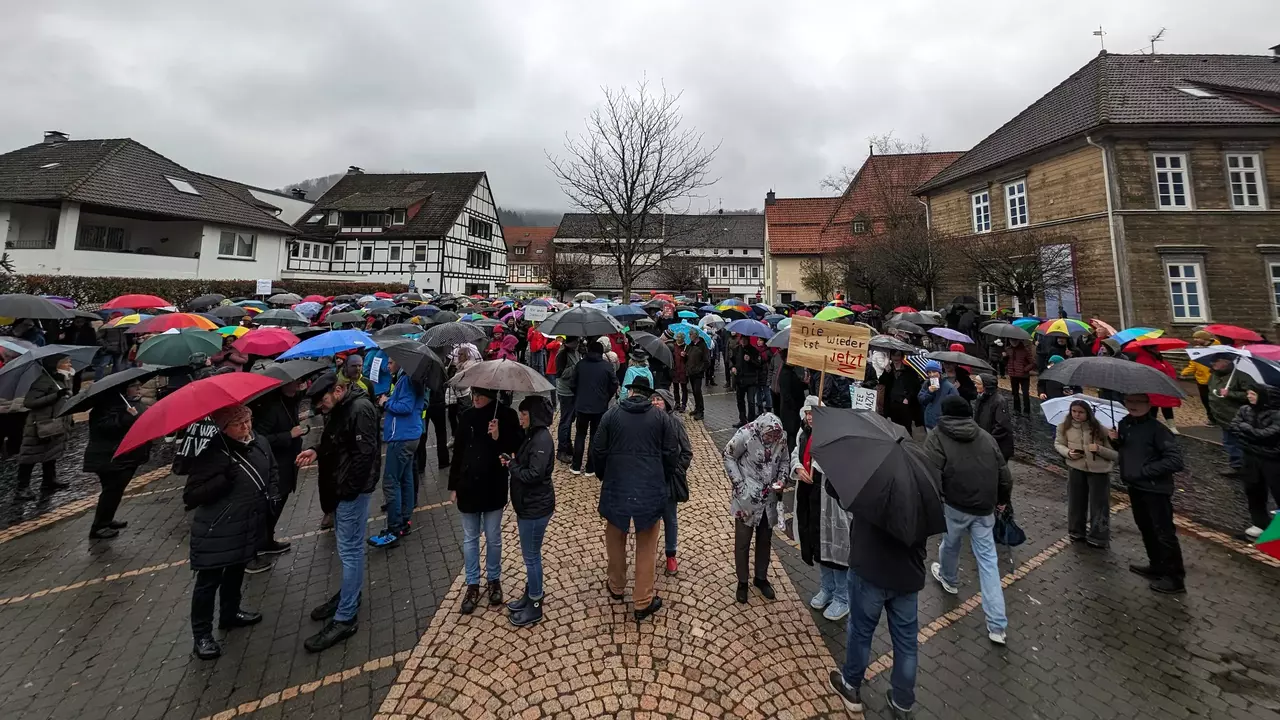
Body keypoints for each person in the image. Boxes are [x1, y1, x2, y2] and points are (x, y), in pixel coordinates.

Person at [296, 372, 381, 652]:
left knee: (350, 549)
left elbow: (365, 455)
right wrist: (317, 451)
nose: (321, 408)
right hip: (342, 487)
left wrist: (348, 491)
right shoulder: (343, 408)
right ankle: (348, 594)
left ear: (339, 390)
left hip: (351, 492)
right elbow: (337, 441)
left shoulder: (360, 408)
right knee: (348, 549)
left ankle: (346, 615)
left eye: (323, 402)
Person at [184, 404, 276, 660]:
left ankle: (230, 613)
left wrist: (273, 494)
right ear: (224, 428)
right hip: (217, 529)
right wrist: (224, 479)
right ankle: (201, 634)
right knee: (208, 582)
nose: (246, 427)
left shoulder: (257, 442)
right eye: (239, 424)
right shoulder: (213, 453)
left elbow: (271, 468)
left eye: (248, 421)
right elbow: (191, 496)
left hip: (245, 523)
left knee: (236, 570)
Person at [924, 396, 1012, 645]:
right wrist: (1002, 499)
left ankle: (949, 579)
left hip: (954, 504)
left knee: (950, 544)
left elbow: (930, 472)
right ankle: (997, 626)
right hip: (984, 507)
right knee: (988, 563)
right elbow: (1004, 474)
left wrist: (934, 501)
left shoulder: (937, 436)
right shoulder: (985, 436)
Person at [593, 375, 678, 621]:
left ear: (630, 393)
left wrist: (604, 475)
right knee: (647, 545)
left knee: (615, 537)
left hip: (617, 485)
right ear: (648, 395)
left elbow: (598, 449)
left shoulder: (611, 415)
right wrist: (663, 476)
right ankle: (642, 600)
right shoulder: (661, 418)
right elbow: (671, 452)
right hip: (650, 487)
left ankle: (617, 585)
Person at [449, 386, 521, 614]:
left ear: (492, 396)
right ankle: (472, 584)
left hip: (493, 485)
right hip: (468, 485)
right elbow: (458, 452)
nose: (476, 398)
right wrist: (453, 484)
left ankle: (493, 579)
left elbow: (516, 447)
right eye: (474, 394)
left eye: (481, 395)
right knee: (470, 538)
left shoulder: (506, 415)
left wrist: (499, 437)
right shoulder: (467, 416)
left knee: (493, 536)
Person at [1110, 394, 1186, 594]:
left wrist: (1144, 472)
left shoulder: (1158, 430)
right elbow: (1128, 450)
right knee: (1145, 527)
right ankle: (1156, 565)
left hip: (1155, 489)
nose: (1133, 405)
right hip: (1135, 486)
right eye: (1129, 401)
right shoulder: (1124, 423)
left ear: (1148, 404)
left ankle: (1175, 578)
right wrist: (1115, 442)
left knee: (1164, 532)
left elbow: (1175, 461)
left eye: (1138, 402)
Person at [791, 396, 852, 622]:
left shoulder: (833, 437)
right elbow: (795, 454)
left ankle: (842, 597)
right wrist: (798, 468)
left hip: (830, 499)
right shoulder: (803, 433)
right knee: (818, 544)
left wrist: (818, 464)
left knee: (835, 548)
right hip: (809, 496)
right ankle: (826, 587)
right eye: (807, 412)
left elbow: (841, 465)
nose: (810, 417)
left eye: (814, 413)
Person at [724, 412, 789, 604]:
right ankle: (742, 581)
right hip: (746, 499)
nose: (772, 440)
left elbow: (784, 460)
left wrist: (782, 479)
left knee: (765, 540)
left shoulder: (781, 436)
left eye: (775, 436)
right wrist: (740, 485)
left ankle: (761, 578)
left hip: (768, 499)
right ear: (761, 431)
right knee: (743, 542)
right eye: (769, 436)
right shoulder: (746, 434)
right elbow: (728, 455)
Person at [504, 396, 556, 627]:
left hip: (535, 507)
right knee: (530, 555)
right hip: (528, 504)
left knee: (532, 557)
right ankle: (530, 593)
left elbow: (534, 475)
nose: (520, 418)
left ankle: (535, 604)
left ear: (533, 416)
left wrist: (512, 466)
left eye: (523, 414)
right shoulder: (533, 436)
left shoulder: (541, 439)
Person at [83, 378, 152, 539]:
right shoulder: (106, 407)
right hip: (109, 458)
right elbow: (105, 428)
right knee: (111, 490)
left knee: (116, 490)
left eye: (138, 385)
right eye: (134, 386)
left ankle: (106, 519)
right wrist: (127, 417)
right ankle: (99, 526)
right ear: (124, 390)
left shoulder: (129, 403)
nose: (138, 388)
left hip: (123, 457)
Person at [369, 359, 426, 548]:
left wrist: (386, 403)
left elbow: (406, 407)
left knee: (391, 482)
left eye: (391, 362)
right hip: (410, 434)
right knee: (406, 479)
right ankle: (404, 521)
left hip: (402, 437)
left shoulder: (407, 380)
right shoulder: (408, 378)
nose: (387, 366)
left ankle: (394, 528)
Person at [1055, 400, 1117, 547]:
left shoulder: (1102, 430)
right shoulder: (1064, 427)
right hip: (1076, 468)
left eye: (1081, 412)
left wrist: (1100, 449)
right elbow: (1058, 444)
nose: (1077, 415)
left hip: (1099, 471)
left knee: (1099, 505)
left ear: (1088, 413)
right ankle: (1076, 531)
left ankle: (1099, 537)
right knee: (1076, 502)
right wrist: (1068, 453)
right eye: (1074, 411)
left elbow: (1116, 455)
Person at [15, 354, 74, 501]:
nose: (69, 364)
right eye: (66, 362)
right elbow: (29, 402)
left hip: (55, 422)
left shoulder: (63, 378)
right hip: (40, 424)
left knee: (51, 451)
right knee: (30, 455)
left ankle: (49, 480)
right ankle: (22, 488)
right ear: (56, 365)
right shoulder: (44, 380)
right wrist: (55, 396)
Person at [1230, 385, 1280, 538]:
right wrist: (1253, 436)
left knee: (1278, 492)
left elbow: (1269, 434)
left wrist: (1247, 430)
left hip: (1273, 459)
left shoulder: (1276, 414)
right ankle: (1260, 523)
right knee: (1253, 491)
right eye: (1248, 393)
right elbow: (1233, 427)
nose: (1249, 396)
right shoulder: (1244, 409)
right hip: (1250, 457)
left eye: (1253, 393)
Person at [652, 389, 692, 575]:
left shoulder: (675, 422)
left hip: (669, 480)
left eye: (659, 399)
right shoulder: (648, 421)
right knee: (650, 521)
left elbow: (686, 451)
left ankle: (670, 554)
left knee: (670, 519)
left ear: (666, 402)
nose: (655, 403)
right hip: (651, 480)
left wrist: (677, 470)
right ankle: (648, 554)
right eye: (652, 400)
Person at [569, 340, 617, 476]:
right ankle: (591, 467)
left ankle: (576, 466)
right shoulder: (607, 367)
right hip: (599, 406)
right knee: (595, 436)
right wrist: (606, 397)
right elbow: (614, 385)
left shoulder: (580, 365)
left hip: (582, 405)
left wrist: (579, 395)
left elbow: (572, 384)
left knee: (580, 435)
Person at [1207, 356, 1255, 477]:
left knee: (1235, 441)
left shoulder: (1241, 376)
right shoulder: (1214, 375)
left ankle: (1240, 466)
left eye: (1217, 360)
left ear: (1227, 362)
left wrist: (1231, 393)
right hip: (1221, 415)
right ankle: (1239, 464)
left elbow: (1251, 395)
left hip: (1235, 416)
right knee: (1228, 441)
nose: (1213, 363)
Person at [1128, 346, 1181, 434]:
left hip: (1162, 386)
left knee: (1167, 406)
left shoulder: (1157, 356)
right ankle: (1151, 426)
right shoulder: (1143, 358)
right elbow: (1148, 370)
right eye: (1154, 348)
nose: (1157, 350)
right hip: (1151, 387)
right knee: (1153, 407)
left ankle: (1171, 425)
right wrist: (1161, 367)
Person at [878, 350, 921, 436]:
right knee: (895, 427)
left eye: (898, 356)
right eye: (894, 356)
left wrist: (908, 398)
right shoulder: (889, 369)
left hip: (905, 403)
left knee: (907, 428)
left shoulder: (909, 371)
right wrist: (886, 372)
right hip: (892, 403)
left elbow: (915, 386)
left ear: (901, 357)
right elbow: (882, 382)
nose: (896, 358)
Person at [972, 373, 1013, 461]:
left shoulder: (999, 401)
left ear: (986, 386)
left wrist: (988, 439)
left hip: (997, 446)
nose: (975, 385)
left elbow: (1002, 425)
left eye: (978, 383)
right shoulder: (981, 398)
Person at [554, 337, 581, 463]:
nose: (577, 344)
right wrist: (576, 367)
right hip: (565, 392)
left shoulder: (575, 352)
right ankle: (561, 450)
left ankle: (568, 446)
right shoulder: (562, 355)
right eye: (576, 342)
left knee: (570, 420)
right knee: (565, 420)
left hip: (573, 390)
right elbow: (560, 374)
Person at [1181, 330, 1218, 417]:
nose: (1195, 340)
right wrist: (1184, 373)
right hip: (1201, 380)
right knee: (1205, 400)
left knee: (1215, 400)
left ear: (1204, 338)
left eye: (1197, 338)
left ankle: (1218, 417)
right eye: (1194, 338)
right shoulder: (1197, 349)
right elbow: (1193, 363)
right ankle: (1211, 418)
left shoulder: (1217, 347)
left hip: (1214, 378)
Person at [731, 333, 762, 427]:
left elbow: (758, 365)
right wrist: (733, 368)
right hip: (740, 380)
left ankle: (751, 421)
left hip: (751, 380)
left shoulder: (754, 351)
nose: (743, 341)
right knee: (740, 401)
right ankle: (742, 419)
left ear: (748, 340)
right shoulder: (736, 349)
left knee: (751, 401)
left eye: (745, 340)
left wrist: (750, 360)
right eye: (742, 340)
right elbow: (732, 361)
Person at [917, 359, 957, 431]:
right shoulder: (926, 384)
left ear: (939, 372)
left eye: (934, 372)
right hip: (929, 422)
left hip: (943, 425)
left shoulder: (949, 387)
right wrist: (929, 392)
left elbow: (954, 406)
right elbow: (921, 400)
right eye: (929, 372)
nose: (932, 374)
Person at [1005, 338, 1034, 415]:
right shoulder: (1008, 349)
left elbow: (1032, 363)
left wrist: (1024, 369)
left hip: (1024, 376)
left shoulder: (1025, 350)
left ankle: (1026, 411)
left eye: (1015, 341)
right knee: (1015, 393)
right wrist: (1004, 357)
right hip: (1013, 375)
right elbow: (1004, 362)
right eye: (1011, 340)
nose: (1013, 342)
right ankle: (1016, 409)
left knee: (1025, 394)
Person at [95, 315, 128, 380]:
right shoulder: (106, 327)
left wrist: (124, 346)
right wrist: (106, 346)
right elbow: (98, 338)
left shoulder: (122, 326)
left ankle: (113, 380)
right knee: (103, 365)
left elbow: (124, 338)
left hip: (119, 349)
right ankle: (97, 380)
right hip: (108, 350)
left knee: (117, 365)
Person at [684, 333, 709, 420]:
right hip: (691, 372)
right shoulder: (690, 345)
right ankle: (697, 408)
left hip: (698, 373)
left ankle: (701, 411)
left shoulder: (702, 346)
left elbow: (706, 361)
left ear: (696, 335)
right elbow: (687, 358)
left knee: (698, 391)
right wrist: (684, 355)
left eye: (691, 334)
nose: (689, 336)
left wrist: (699, 369)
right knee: (695, 391)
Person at [669, 333, 688, 412]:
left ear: (683, 339)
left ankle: (683, 404)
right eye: (677, 337)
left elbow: (689, 359)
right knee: (675, 388)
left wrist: (686, 355)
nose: (678, 339)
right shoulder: (673, 346)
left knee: (684, 388)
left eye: (680, 338)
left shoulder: (686, 347)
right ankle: (677, 403)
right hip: (675, 370)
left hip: (683, 371)